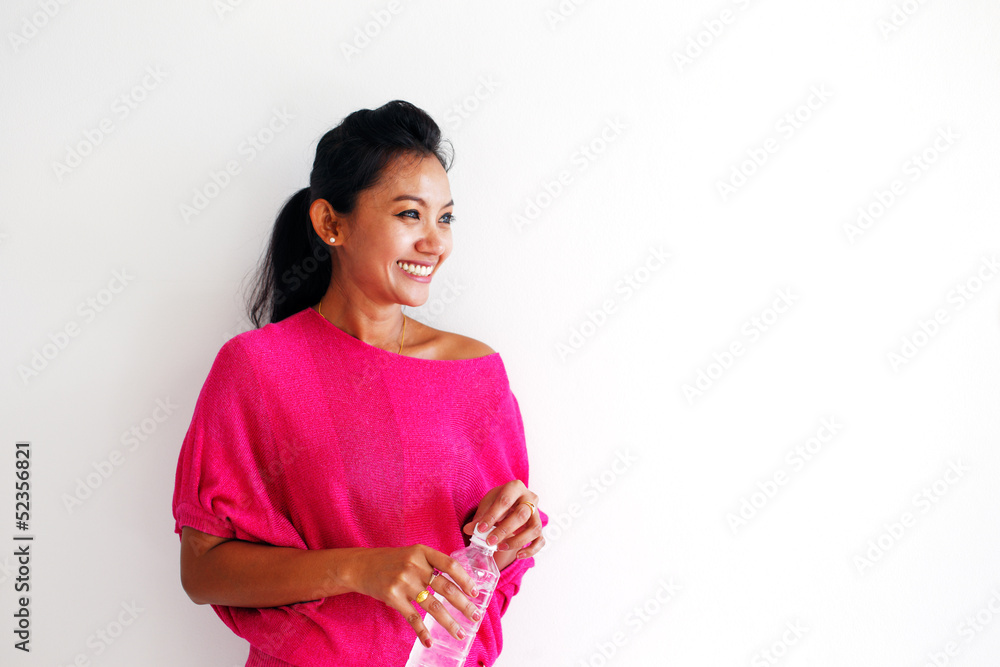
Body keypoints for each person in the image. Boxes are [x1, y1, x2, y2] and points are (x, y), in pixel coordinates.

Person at [171, 99, 548, 666]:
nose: (435, 242)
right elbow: (202, 570)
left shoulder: (476, 374)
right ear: (330, 223)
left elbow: (489, 568)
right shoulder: (257, 369)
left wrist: (511, 532)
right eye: (410, 215)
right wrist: (358, 568)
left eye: (445, 218)